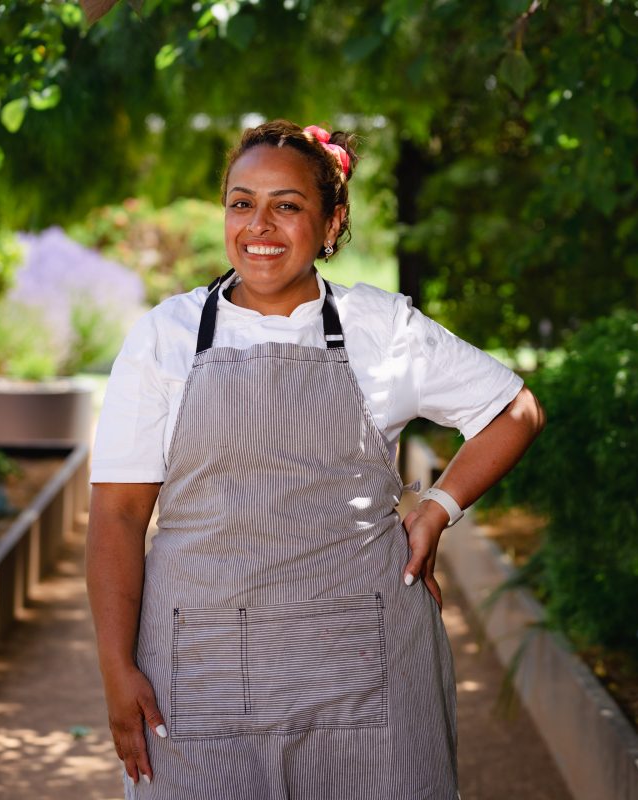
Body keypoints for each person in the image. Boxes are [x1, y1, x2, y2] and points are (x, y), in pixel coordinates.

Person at [86, 120, 545, 800]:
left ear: (331, 223)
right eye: (242, 203)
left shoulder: (381, 329)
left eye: (287, 205)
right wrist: (116, 669)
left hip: (366, 664)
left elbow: (516, 411)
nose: (259, 225)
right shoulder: (167, 337)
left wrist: (436, 510)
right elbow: (119, 516)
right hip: (201, 669)